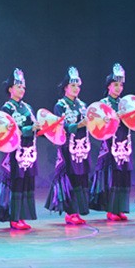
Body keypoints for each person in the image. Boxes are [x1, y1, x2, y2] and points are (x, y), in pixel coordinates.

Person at [0, 68, 38, 230]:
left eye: (23, 87)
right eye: (18, 87)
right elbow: (9, 131)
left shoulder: (28, 108)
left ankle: (22, 216)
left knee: (26, 183)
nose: (22, 90)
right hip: (14, 153)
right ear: (10, 89)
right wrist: (28, 129)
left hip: (28, 152)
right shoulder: (7, 109)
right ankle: (14, 218)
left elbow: (34, 127)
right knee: (16, 184)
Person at [45, 66, 91, 225]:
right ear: (65, 87)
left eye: (78, 85)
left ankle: (78, 211)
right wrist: (78, 125)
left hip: (82, 147)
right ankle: (70, 213)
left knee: (81, 178)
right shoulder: (60, 106)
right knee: (70, 178)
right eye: (72, 85)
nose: (76, 88)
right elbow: (60, 127)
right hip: (67, 148)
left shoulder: (83, 105)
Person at [89, 63, 133, 221]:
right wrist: (112, 118)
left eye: (121, 85)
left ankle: (120, 209)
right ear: (109, 86)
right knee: (112, 176)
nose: (119, 88)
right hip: (109, 145)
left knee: (123, 175)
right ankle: (111, 210)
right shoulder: (103, 104)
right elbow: (96, 125)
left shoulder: (125, 103)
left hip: (124, 143)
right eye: (116, 85)